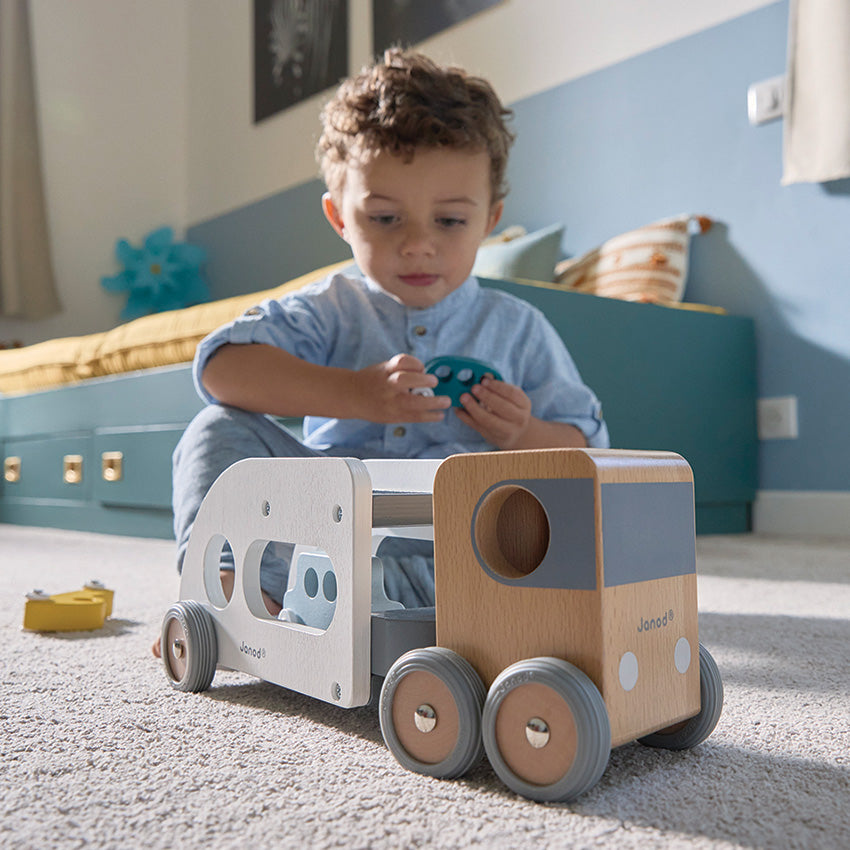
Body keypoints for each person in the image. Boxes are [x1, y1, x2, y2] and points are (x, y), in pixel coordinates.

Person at [153, 49, 608, 657]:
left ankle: (414, 619)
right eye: (386, 217)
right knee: (215, 429)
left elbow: (587, 452)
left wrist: (523, 432)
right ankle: (229, 595)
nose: (417, 244)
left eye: (450, 221)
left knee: (560, 529)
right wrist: (353, 394)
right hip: (321, 545)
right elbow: (222, 370)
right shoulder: (330, 307)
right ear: (340, 217)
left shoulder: (518, 328)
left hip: (464, 555)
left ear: (489, 220)